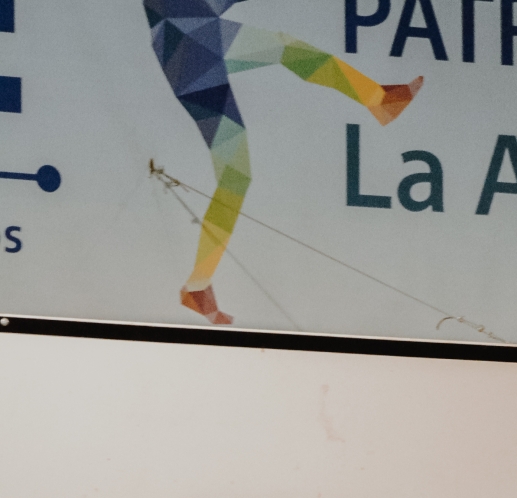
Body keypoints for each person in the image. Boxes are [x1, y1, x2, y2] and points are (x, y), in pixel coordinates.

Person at [144, 1, 423, 324]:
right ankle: (379, 100)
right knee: (287, 49)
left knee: (236, 176)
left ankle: (198, 285)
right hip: (190, 41)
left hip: (185, 48)